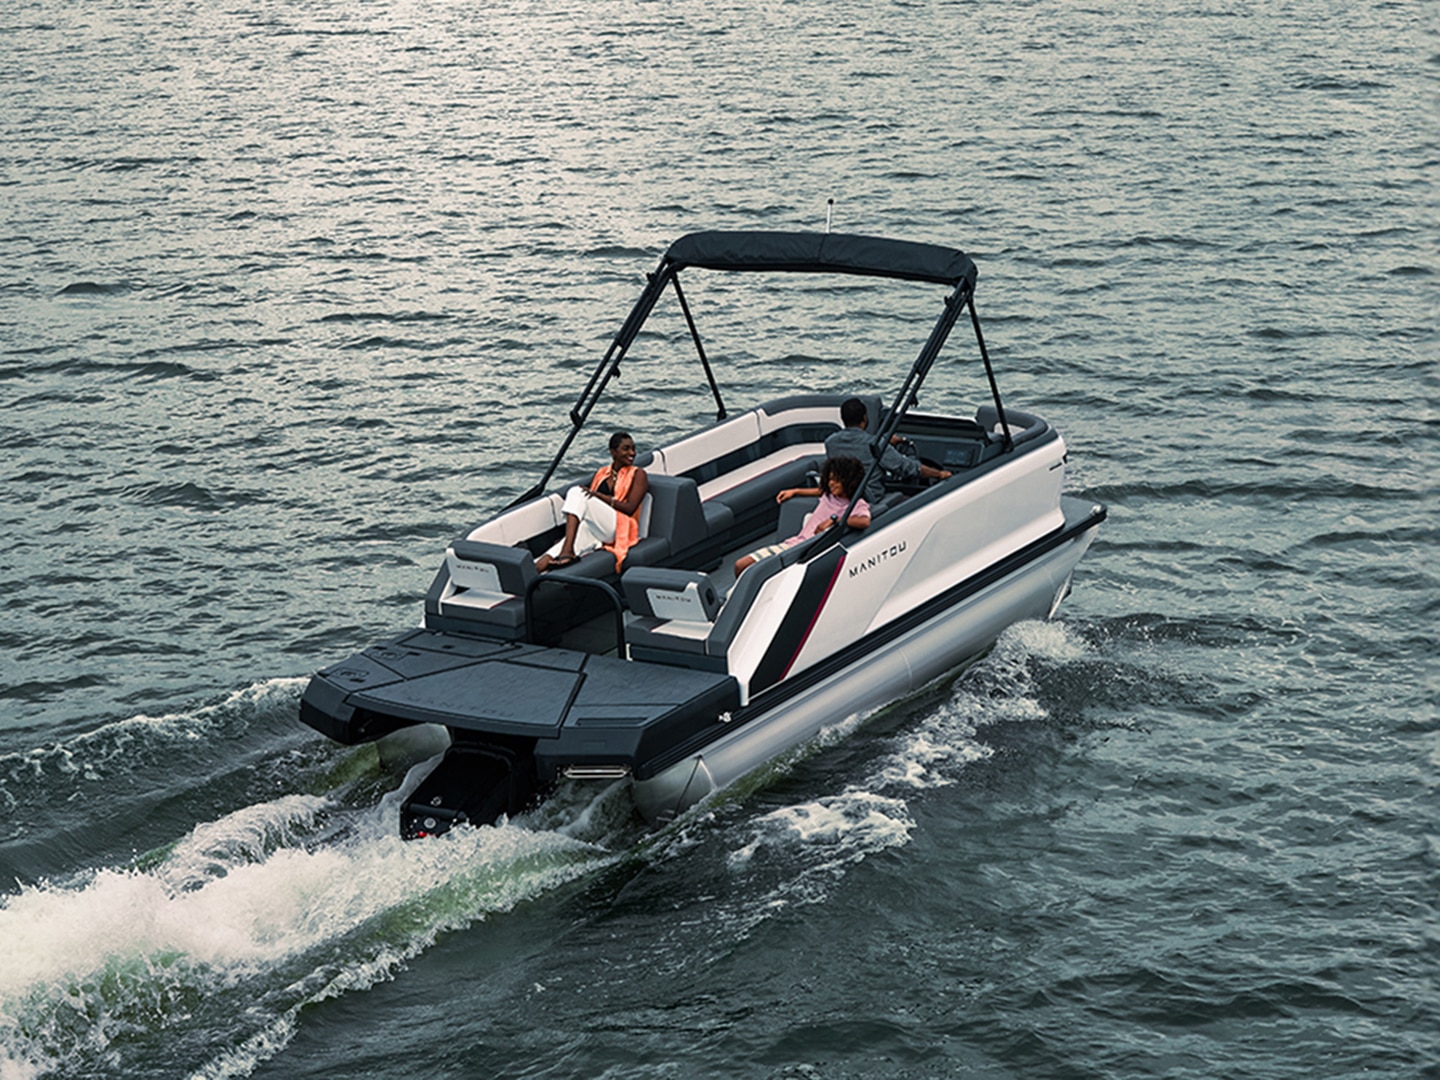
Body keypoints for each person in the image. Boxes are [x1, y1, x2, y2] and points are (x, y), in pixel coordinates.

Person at [733, 455, 871, 578]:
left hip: (806, 552)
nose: (831, 483)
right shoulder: (828, 494)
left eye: (836, 480)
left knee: (743, 565)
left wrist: (834, 520)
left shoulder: (857, 504)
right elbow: (819, 491)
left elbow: (864, 521)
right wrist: (795, 491)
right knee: (741, 565)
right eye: (829, 479)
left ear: (848, 482)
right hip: (795, 544)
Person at [536, 431, 649, 572]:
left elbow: (630, 508)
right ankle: (535, 572)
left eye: (633, 448)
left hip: (620, 527)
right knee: (547, 558)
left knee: (577, 491)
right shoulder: (602, 473)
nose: (632, 453)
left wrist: (598, 495)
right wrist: (567, 535)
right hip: (598, 527)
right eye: (626, 449)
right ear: (613, 452)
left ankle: (568, 550)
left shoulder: (638, 474)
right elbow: (585, 508)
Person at [825, 397, 952, 505]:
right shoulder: (875, 444)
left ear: (843, 419)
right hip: (872, 500)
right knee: (915, 503)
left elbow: (856, 449)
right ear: (864, 419)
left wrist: (885, 441)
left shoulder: (830, 443)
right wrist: (939, 474)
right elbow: (906, 468)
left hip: (844, 497)